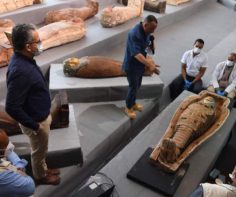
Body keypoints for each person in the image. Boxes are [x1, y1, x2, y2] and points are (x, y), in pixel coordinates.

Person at [5, 24, 60, 185]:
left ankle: (43, 167)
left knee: (42, 149)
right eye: (38, 41)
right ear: (28, 46)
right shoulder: (20, 70)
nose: (41, 43)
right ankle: (40, 175)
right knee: (39, 151)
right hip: (36, 122)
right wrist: (34, 126)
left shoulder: (25, 59)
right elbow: (11, 106)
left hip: (39, 115)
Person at [122, 15, 160, 119]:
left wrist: (152, 43)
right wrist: (149, 64)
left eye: (154, 29)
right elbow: (137, 54)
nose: (153, 31)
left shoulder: (147, 32)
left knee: (137, 86)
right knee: (133, 87)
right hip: (132, 66)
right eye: (152, 29)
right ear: (145, 25)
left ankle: (133, 103)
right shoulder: (135, 34)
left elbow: (148, 51)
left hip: (140, 66)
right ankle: (128, 107)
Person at [0, 129, 35, 197]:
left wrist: (19, 166)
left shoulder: (4, 151)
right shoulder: (2, 174)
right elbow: (29, 187)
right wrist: (18, 171)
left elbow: (9, 151)